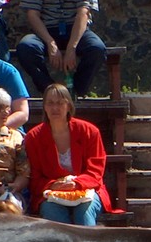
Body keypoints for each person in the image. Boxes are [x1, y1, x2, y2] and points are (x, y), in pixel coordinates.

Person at [25, 83, 111, 225]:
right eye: (50, 103)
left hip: (87, 190)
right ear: (44, 107)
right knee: (52, 212)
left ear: (69, 106)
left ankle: (87, 240)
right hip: (51, 194)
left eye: (60, 103)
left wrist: (76, 184)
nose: (55, 108)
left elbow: (96, 171)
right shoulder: (33, 137)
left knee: (84, 212)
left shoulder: (89, 131)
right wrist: (53, 185)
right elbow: (34, 177)